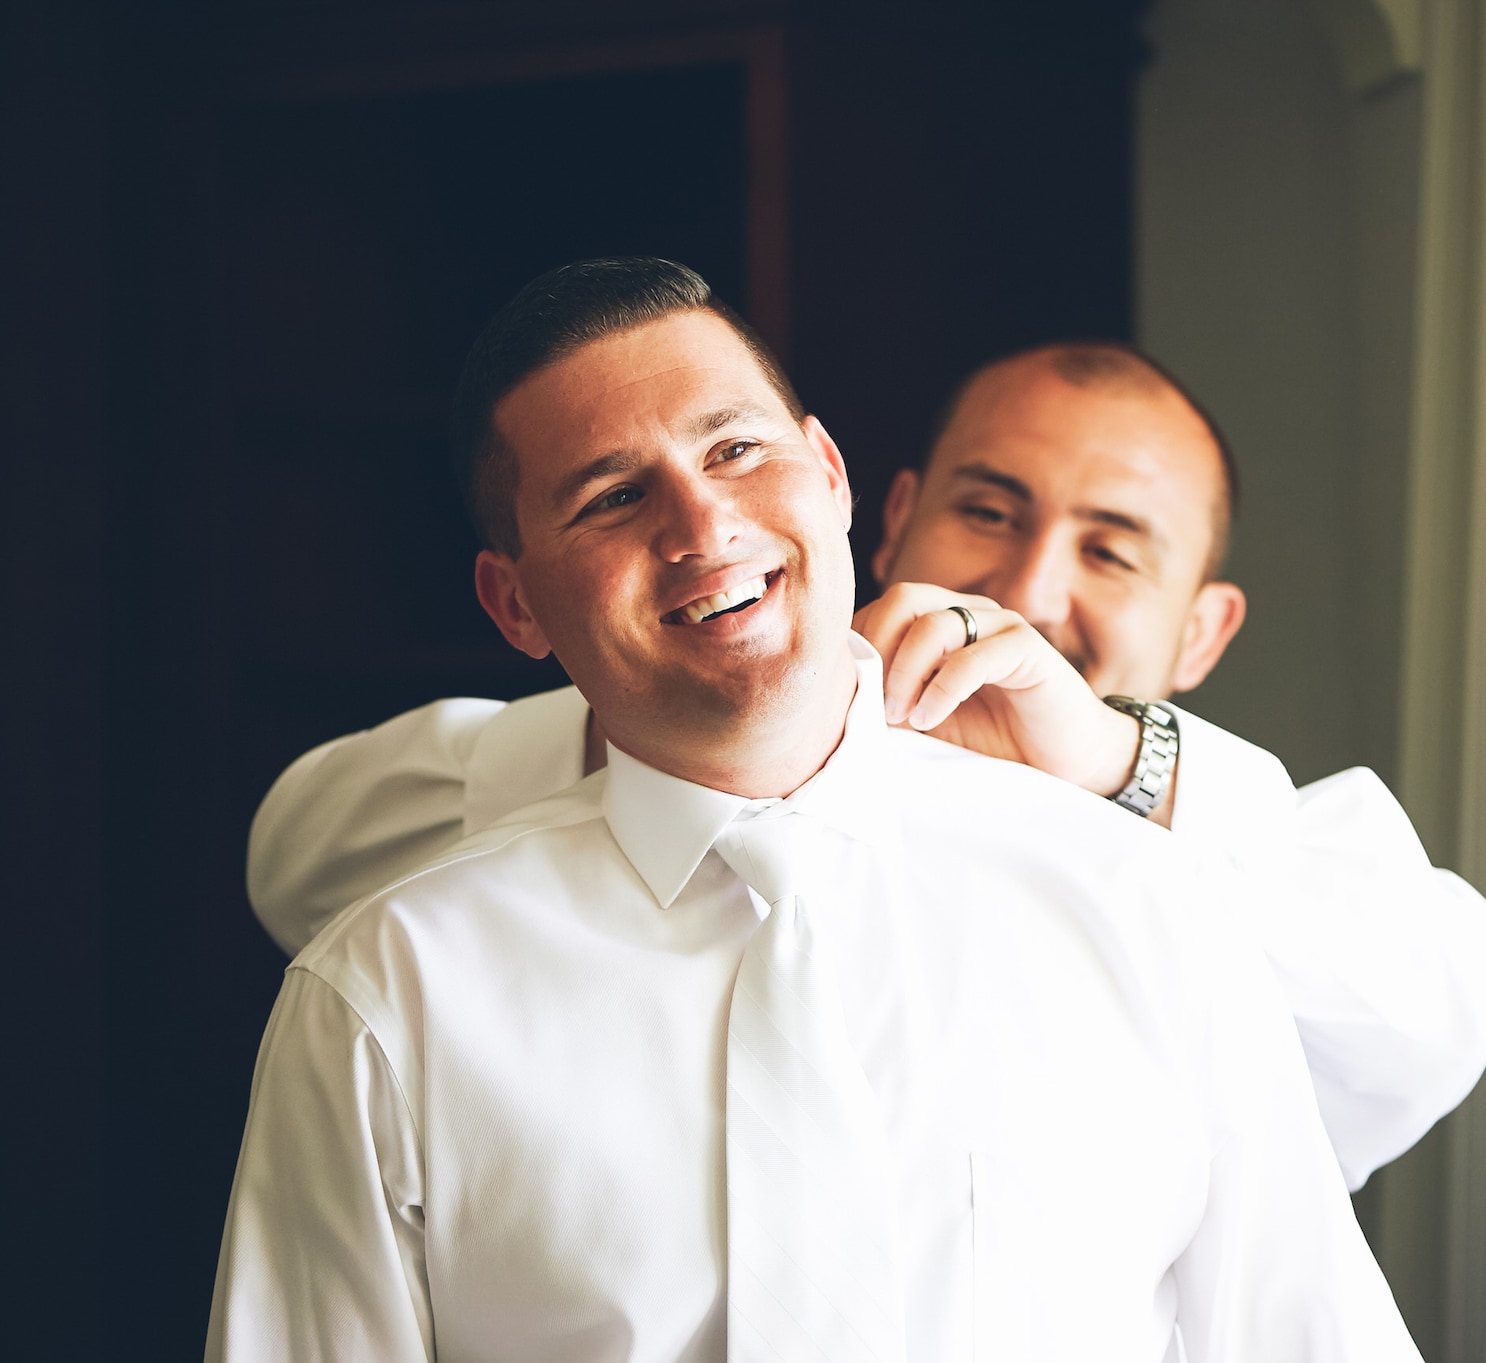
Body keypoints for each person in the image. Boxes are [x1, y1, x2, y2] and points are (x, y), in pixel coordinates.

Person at [206, 258, 1417, 1361]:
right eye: (610, 496)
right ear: (515, 606)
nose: (701, 527)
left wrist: (1106, 768)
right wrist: (681, 719)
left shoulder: (1147, 901)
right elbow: (295, 844)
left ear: (828, 475)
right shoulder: (382, 997)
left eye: (734, 451)